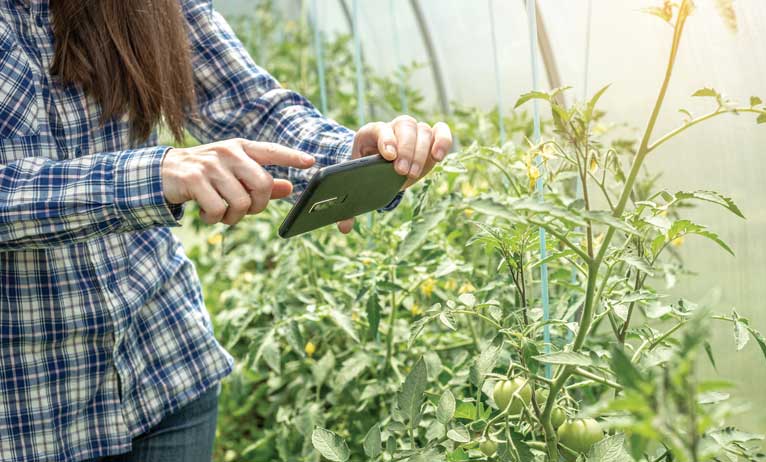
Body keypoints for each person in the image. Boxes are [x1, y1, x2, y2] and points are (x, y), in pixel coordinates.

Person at [0, 1, 452, 461]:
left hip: (164, 366)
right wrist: (152, 175)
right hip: (30, 414)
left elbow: (242, 102)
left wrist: (349, 156)